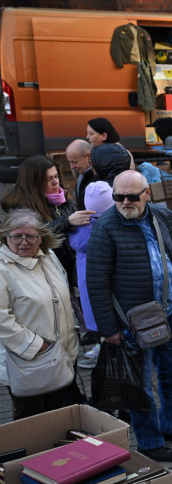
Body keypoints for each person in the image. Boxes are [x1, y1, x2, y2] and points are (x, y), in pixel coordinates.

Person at [87, 170, 172, 463]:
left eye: (131, 196)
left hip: (168, 312)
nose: (124, 202)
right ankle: (149, 442)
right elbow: (96, 282)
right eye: (118, 196)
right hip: (130, 322)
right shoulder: (106, 227)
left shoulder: (163, 217)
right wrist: (109, 329)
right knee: (139, 385)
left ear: (147, 193)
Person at [0, 209, 82, 419]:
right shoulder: (2, 268)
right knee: (32, 423)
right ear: (5, 236)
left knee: (57, 419)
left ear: (41, 237)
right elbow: (2, 320)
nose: (24, 242)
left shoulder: (48, 257)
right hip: (27, 364)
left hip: (59, 357)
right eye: (17, 236)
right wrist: (38, 346)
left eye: (31, 236)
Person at [69, 143, 130, 369]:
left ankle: (109, 355)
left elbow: (76, 242)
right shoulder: (120, 193)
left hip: (97, 279)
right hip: (117, 280)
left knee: (105, 316)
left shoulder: (91, 223)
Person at [1, 155, 93, 288]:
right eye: (48, 179)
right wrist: (67, 221)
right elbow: (34, 235)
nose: (56, 182)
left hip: (69, 274)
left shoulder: (63, 200)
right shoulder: (20, 208)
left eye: (56, 176)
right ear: (34, 183)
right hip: (43, 275)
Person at [66, 139, 97, 206]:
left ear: (89, 156)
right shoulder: (82, 173)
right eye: (70, 162)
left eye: (75, 162)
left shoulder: (98, 177)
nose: (72, 166)